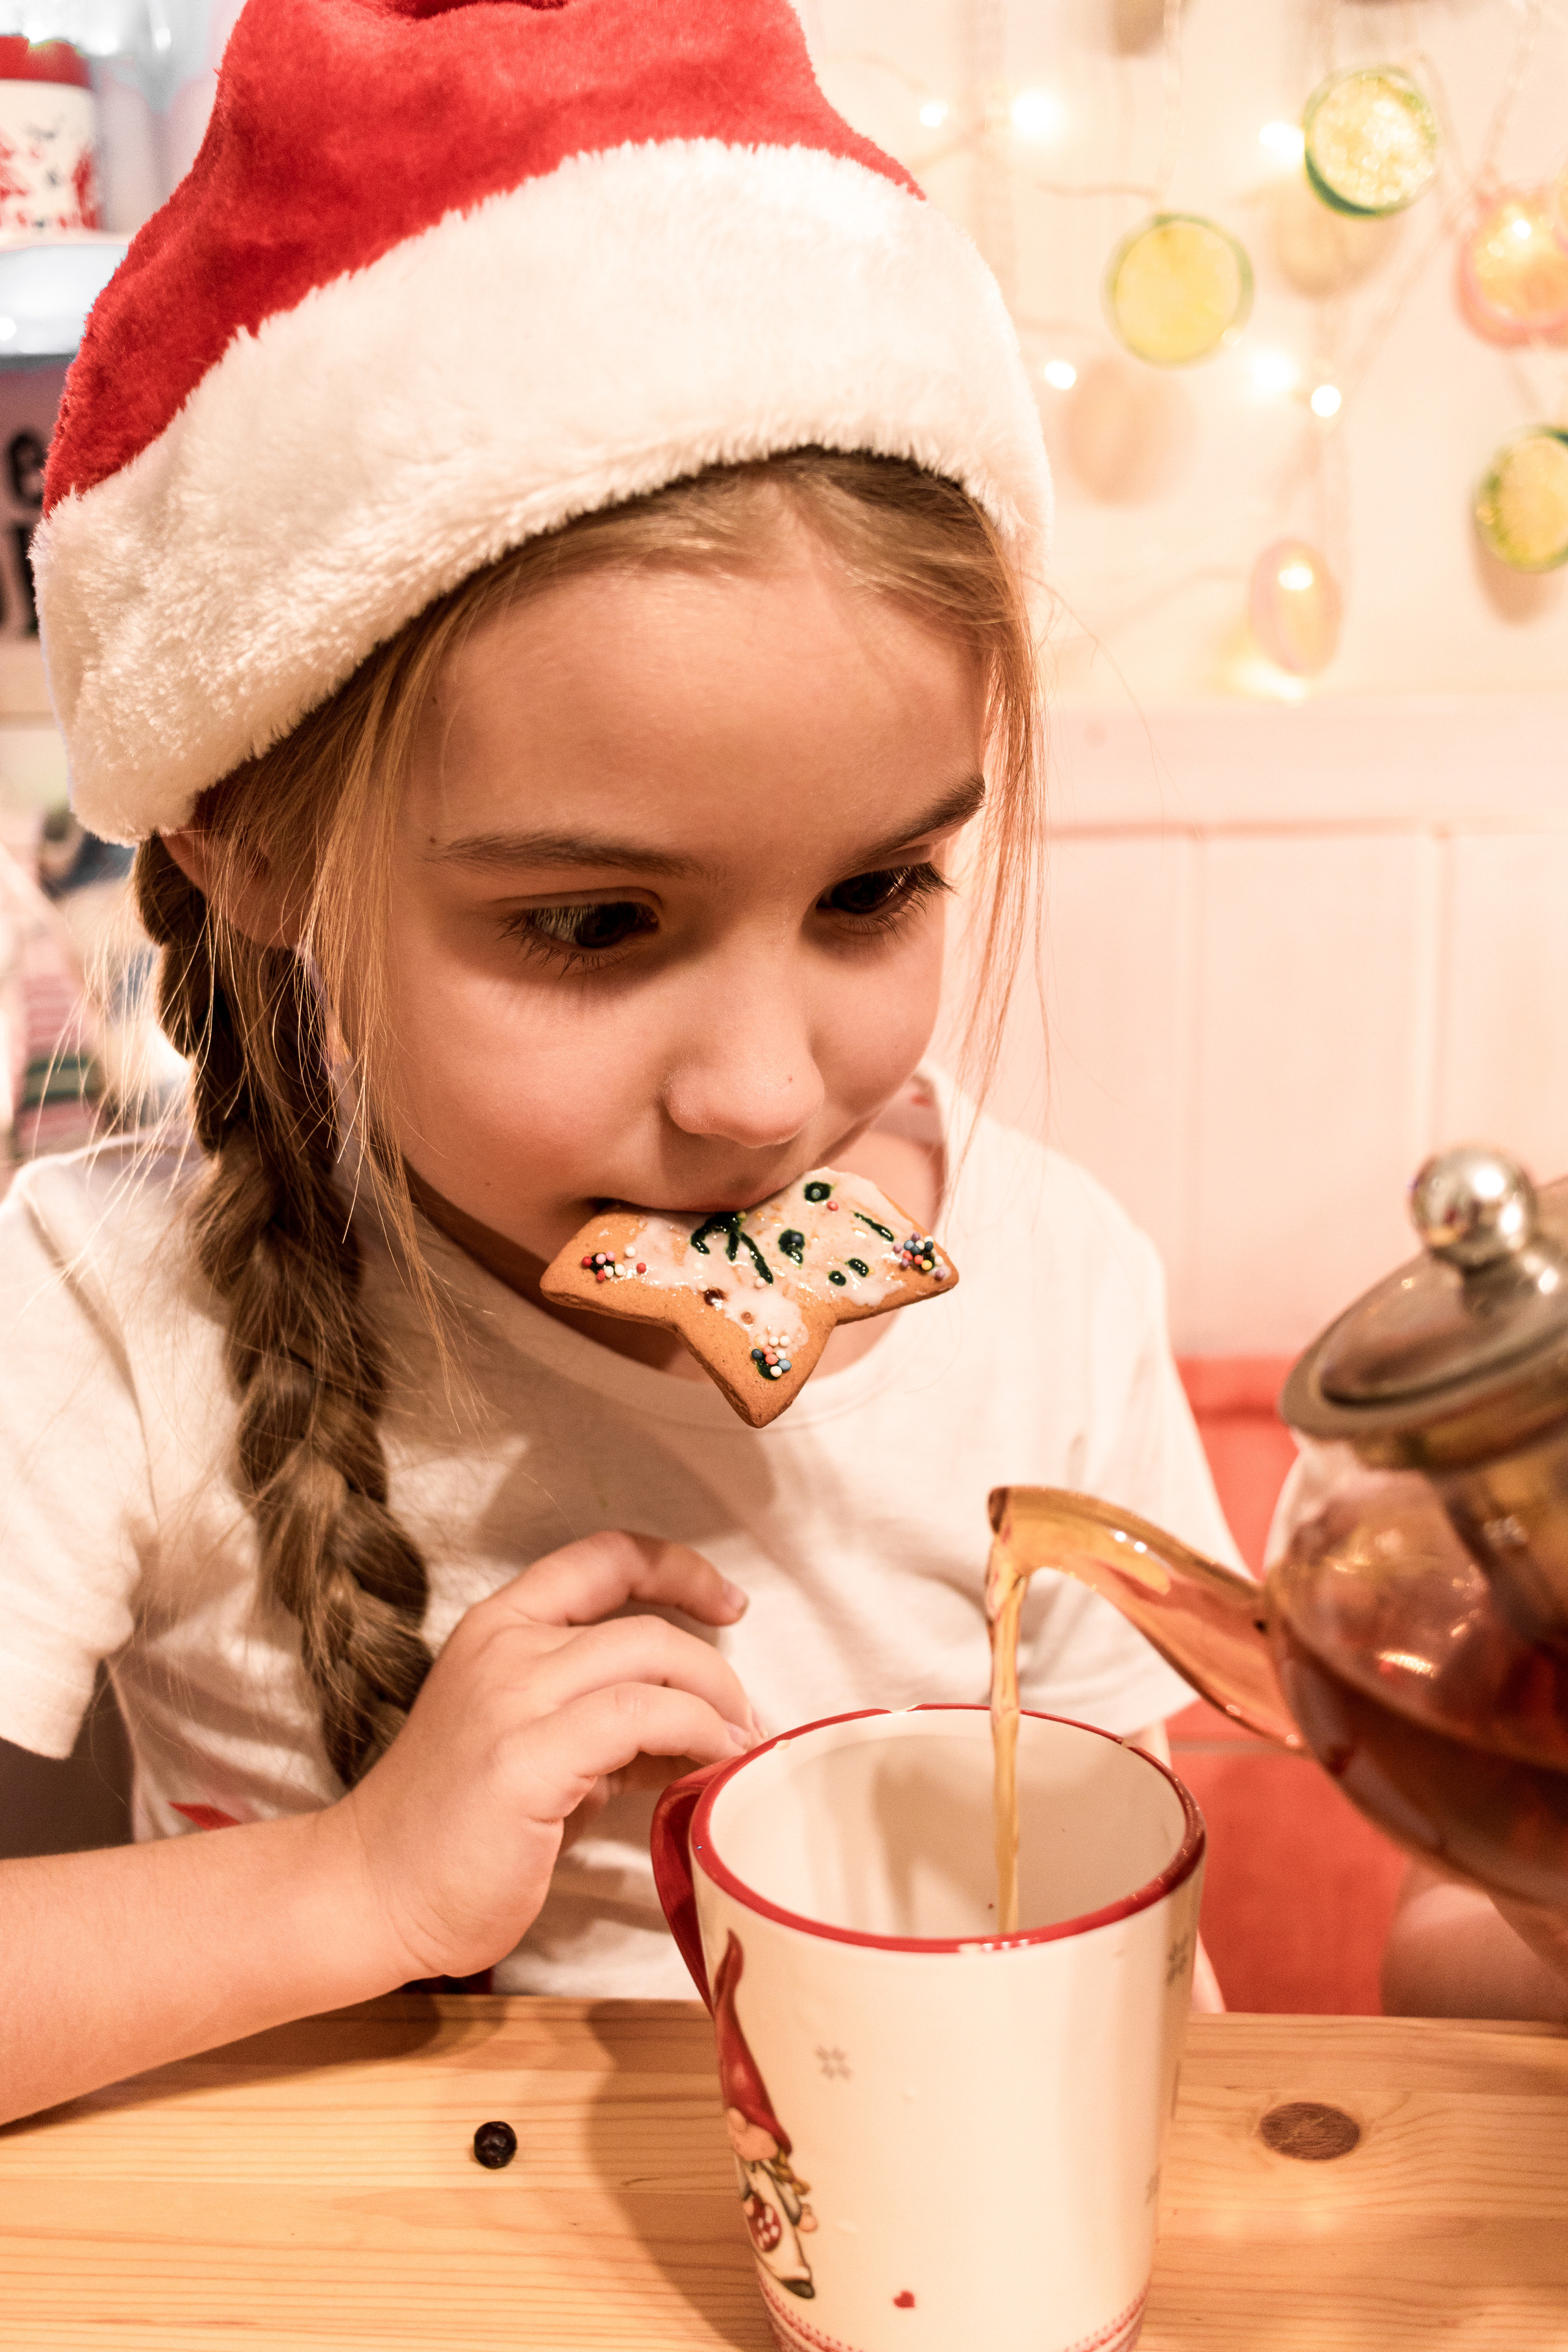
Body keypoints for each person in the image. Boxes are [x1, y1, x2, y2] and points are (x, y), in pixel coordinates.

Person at [0, 0, 1233, 2125]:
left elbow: (1175, 1942)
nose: (763, 1093)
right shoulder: (107, 1316)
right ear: (255, 844)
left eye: (873, 896)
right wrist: (357, 1886)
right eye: (590, 925)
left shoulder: (1060, 1293)